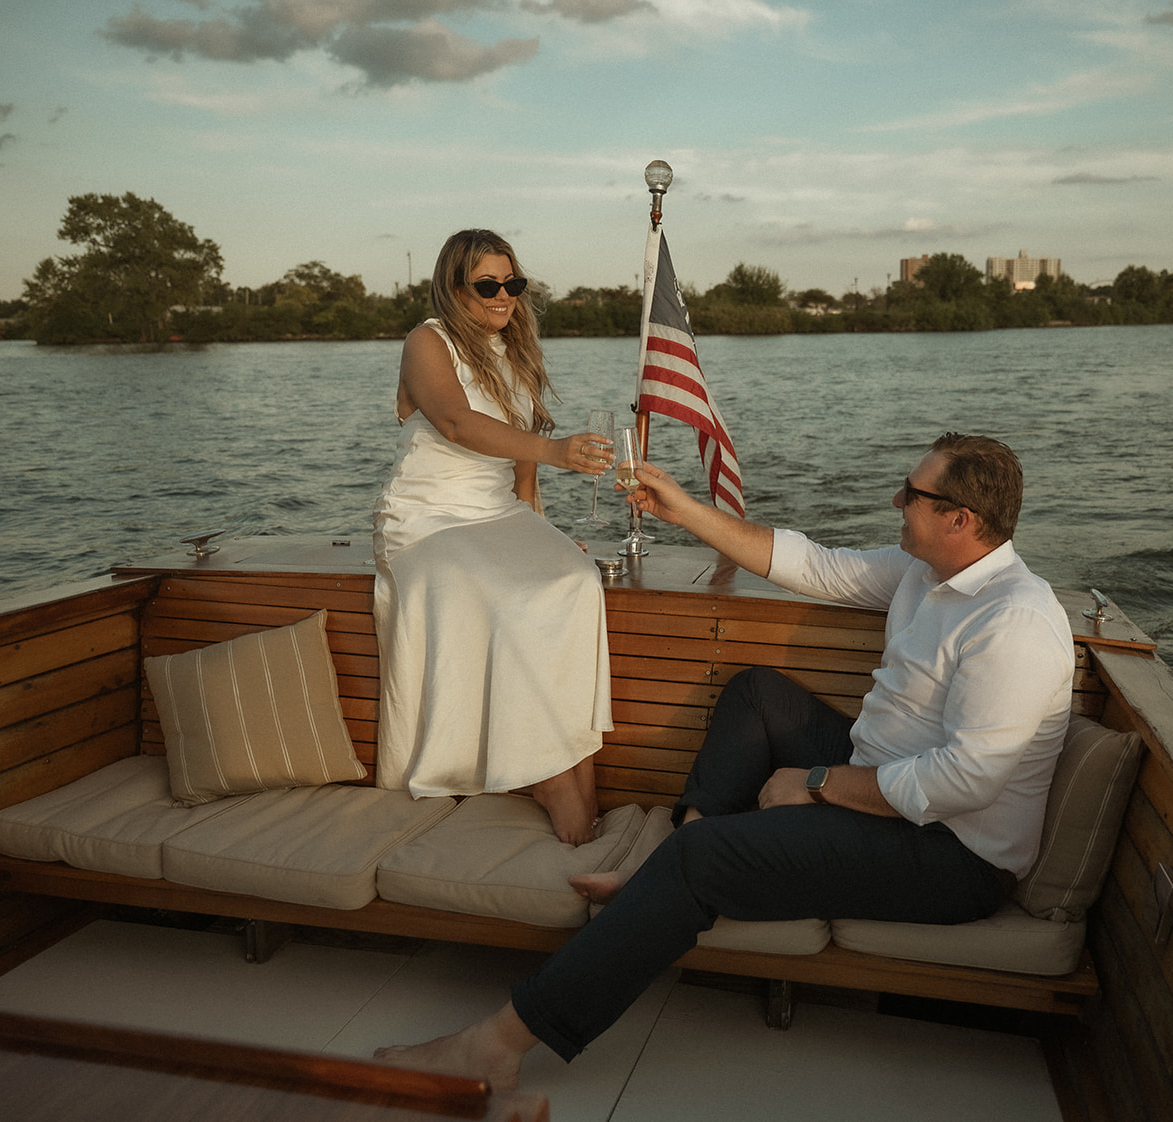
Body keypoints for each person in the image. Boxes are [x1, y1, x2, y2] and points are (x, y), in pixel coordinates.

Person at [375, 433, 1074, 1086]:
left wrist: (819, 784)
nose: (896, 501)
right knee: (757, 694)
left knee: (701, 860)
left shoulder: (1013, 622)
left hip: (950, 854)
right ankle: (670, 874)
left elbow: (964, 781)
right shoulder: (925, 575)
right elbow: (806, 562)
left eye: (910, 493)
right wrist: (683, 510)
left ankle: (498, 1045)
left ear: (959, 519)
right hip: (887, 776)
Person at [372, 229, 615, 845]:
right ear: (454, 288)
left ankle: (574, 773)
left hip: (499, 512)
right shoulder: (427, 342)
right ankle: (554, 784)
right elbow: (456, 422)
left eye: (513, 283)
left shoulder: (518, 350)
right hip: (430, 519)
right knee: (511, 601)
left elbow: (523, 473)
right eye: (487, 285)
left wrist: (543, 533)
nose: (504, 295)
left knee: (576, 580)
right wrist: (558, 450)